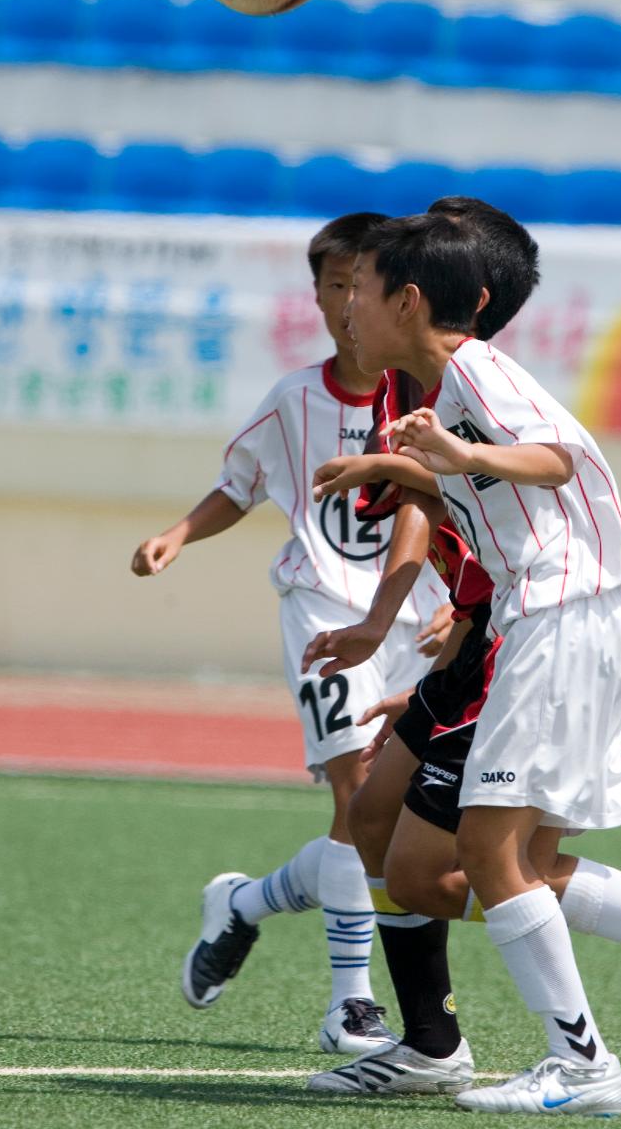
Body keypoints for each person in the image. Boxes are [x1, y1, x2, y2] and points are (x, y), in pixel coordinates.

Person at [325, 212, 621, 1116]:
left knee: (488, 851)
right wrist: (422, 470)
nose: (349, 305)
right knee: (517, 856)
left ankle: (585, 1063)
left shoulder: (474, 370)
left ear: (409, 299)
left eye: (361, 288)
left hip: (559, 622)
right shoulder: (442, 382)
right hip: (560, 621)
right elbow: (505, 489)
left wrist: (462, 453)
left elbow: (559, 457)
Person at [129, 212, 450, 1055]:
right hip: (321, 613)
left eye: (362, 285)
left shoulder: (422, 401)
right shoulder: (294, 398)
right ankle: (353, 1003)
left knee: (391, 814)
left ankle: (245, 903)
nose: (349, 303)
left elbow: (438, 505)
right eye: (334, 285)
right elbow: (239, 485)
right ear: (315, 295)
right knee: (359, 796)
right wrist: (179, 534)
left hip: (409, 613)